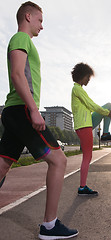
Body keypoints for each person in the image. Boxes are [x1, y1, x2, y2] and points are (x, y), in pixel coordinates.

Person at [0, 2, 78, 239]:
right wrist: (34, 110)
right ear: (28, 16)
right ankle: (50, 226)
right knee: (59, 160)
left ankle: (50, 225)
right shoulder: (22, 39)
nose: (42, 26)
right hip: (22, 109)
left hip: (14, 111)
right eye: (40, 20)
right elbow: (17, 74)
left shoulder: (23, 41)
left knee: (3, 163)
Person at [71, 63, 111, 196]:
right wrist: (106, 113)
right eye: (88, 77)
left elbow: (90, 106)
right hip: (83, 126)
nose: (89, 79)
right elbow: (91, 105)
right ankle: (82, 187)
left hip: (86, 123)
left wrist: (106, 112)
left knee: (110, 105)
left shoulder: (79, 89)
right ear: (82, 75)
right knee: (87, 156)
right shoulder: (77, 89)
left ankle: (105, 133)